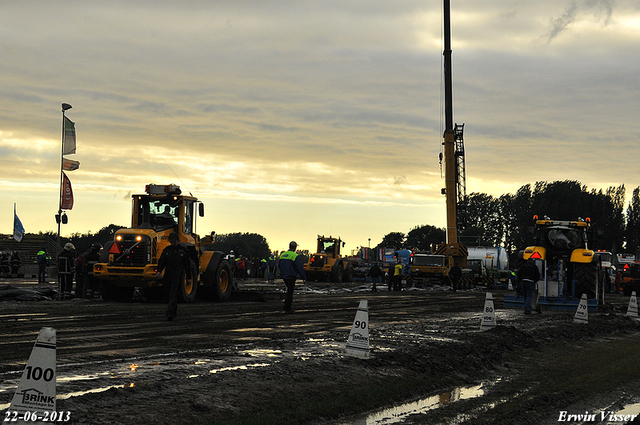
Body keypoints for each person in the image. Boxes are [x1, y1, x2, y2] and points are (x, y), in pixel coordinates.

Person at [156, 232, 191, 321]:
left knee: (173, 293)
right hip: (168, 274)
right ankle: (173, 311)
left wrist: (189, 277)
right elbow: (162, 262)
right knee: (168, 293)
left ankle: (170, 313)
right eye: (171, 241)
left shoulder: (183, 251)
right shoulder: (167, 250)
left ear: (178, 240)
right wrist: (159, 271)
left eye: (174, 241)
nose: (173, 243)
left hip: (178, 275)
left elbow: (187, 265)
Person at [278, 241, 306, 313]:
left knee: (288, 290)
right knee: (290, 292)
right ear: (295, 247)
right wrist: (304, 277)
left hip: (284, 276)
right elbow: (299, 267)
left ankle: (286, 305)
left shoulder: (282, 255)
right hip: (291, 276)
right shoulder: (294, 256)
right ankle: (287, 308)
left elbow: (279, 265)